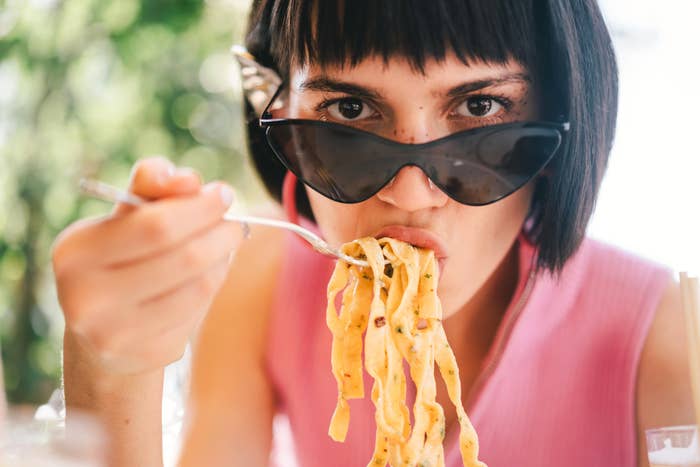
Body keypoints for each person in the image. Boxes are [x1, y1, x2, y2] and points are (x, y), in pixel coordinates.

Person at [51, 0, 692, 466]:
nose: (411, 194)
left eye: (479, 107)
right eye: (350, 111)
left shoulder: (669, 338)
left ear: (566, 118)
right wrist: (111, 374)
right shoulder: (263, 284)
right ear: (278, 119)